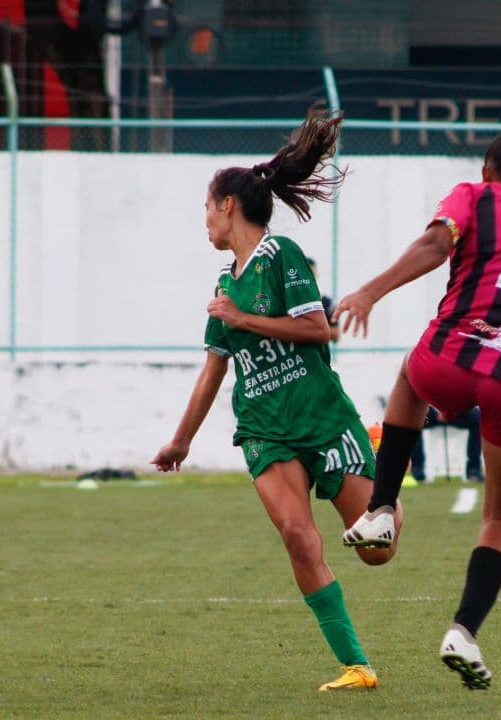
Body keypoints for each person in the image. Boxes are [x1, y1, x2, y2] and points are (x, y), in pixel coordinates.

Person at [334, 129, 501, 689]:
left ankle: (382, 509)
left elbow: (436, 247)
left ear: (489, 170)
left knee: (411, 373)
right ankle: (464, 629)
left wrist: (368, 293)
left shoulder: (472, 197)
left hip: (454, 354)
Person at [150, 105, 400, 693]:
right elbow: (215, 367)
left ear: (228, 206)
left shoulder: (280, 256)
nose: (205, 221)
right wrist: (179, 440)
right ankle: (356, 666)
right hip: (264, 426)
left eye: (207, 209)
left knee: (377, 553)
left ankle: (383, 446)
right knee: (297, 535)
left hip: (320, 416)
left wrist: (244, 318)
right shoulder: (223, 284)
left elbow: (319, 330)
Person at [408, 406, 483, 483]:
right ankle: (417, 470)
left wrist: (448, 413)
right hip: (429, 414)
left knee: (477, 416)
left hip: (455, 412)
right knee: (413, 418)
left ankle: (473, 470)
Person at [306, 257, 340, 342]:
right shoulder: (291, 301)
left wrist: (307, 330)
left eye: (312, 273)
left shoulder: (327, 303)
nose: (309, 277)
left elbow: (336, 334)